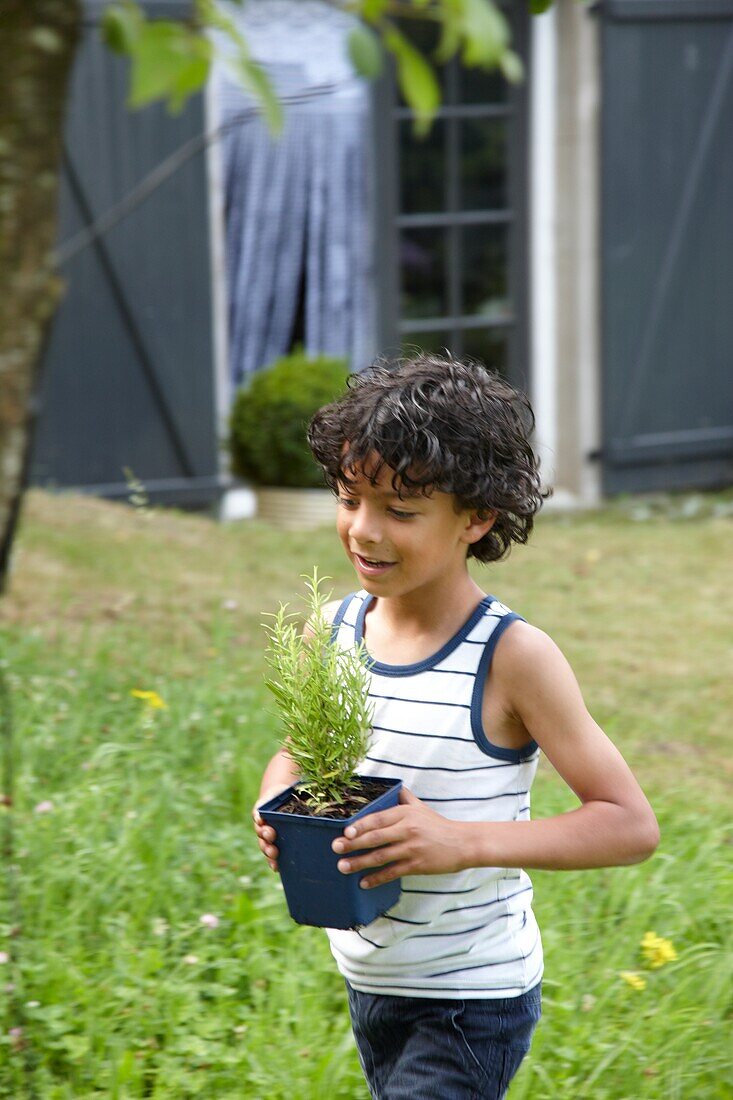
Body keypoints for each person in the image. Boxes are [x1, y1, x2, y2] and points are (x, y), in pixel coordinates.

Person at [253, 353, 659, 1100]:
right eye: (349, 499)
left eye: (400, 512)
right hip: (371, 979)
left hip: (472, 995)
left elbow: (628, 824)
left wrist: (460, 841)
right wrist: (277, 803)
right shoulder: (330, 632)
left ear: (476, 517)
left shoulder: (510, 657)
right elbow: (293, 754)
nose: (363, 531)